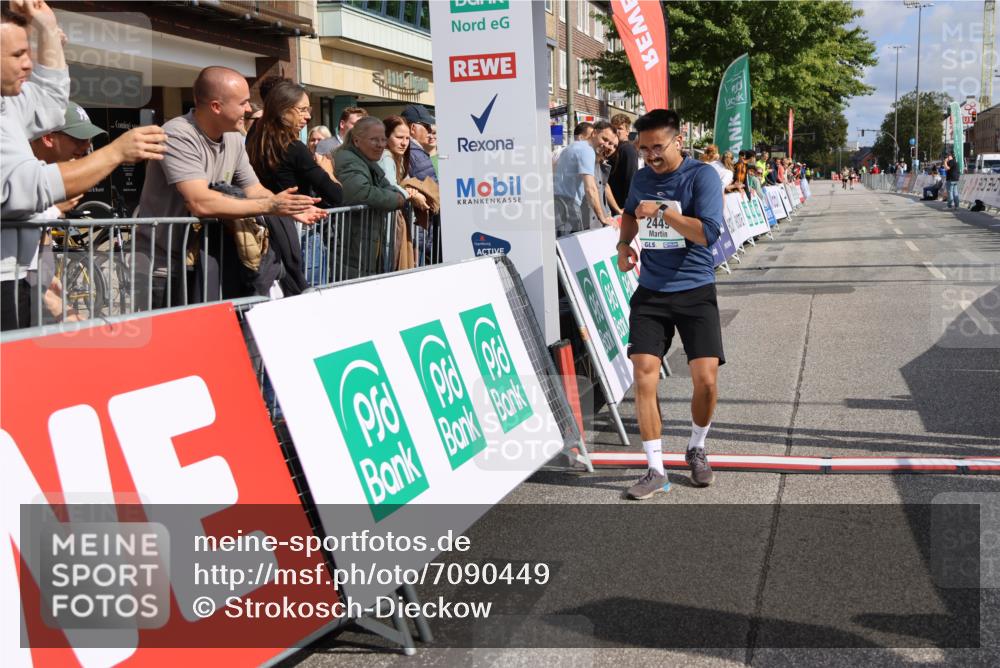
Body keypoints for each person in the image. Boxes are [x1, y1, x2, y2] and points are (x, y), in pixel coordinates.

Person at [1, 0, 168, 329]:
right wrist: (115, 153)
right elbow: (26, 187)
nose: (29, 65)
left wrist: (48, 28)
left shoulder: (7, 103)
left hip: (16, 275)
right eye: (18, 55)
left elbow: (50, 100)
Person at [134, 66, 324, 308]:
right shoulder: (177, 134)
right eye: (244, 102)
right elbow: (199, 201)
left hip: (203, 263)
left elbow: (254, 189)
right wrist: (270, 205)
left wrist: (291, 208)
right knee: (167, 343)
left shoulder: (233, 136)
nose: (249, 109)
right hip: (163, 267)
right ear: (216, 106)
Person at [615, 109, 725, 498]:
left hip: (695, 289)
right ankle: (655, 468)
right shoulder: (642, 177)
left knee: (706, 382)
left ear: (679, 141)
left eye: (657, 147)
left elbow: (707, 234)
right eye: (643, 149)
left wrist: (662, 210)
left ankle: (696, 446)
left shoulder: (702, 176)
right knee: (643, 373)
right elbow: (629, 213)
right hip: (652, 292)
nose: (650, 156)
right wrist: (624, 244)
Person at [246, 80, 343, 289]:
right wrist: (328, 171)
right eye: (301, 110)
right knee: (306, 296)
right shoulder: (294, 148)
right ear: (283, 111)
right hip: (298, 234)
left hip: (262, 235)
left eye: (309, 110)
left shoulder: (252, 140)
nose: (307, 116)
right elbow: (335, 195)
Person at [334, 116, 407, 278]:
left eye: (383, 139)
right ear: (357, 141)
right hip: (351, 246)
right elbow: (360, 192)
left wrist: (398, 195)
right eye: (374, 140)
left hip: (363, 245)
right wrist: (396, 200)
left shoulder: (367, 160)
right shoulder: (348, 159)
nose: (381, 145)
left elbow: (388, 186)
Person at [552, 120, 618, 235]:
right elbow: (591, 188)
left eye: (610, 142)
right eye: (604, 139)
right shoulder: (587, 150)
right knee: (571, 249)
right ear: (594, 133)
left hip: (559, 206)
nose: (606, 145)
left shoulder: (573, 146)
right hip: (568, 209)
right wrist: (602, 218)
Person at [607, 113, 638, 217]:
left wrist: (627, 206)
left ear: (627, 131)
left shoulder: (628, 150)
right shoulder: (614, 148)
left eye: (620, 128)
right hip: (611, 203)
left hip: (621, 206)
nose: (616, 131)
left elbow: (631, 178)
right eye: (614, 128)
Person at [400, 103, 437, 181]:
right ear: (413, 128)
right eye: (427, 126)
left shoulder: (409, 150)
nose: (429, 130)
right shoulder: (414, 153)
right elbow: (434, 189)